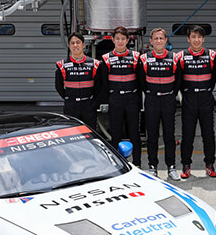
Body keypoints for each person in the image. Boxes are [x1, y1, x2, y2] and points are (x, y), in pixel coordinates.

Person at [138, 28, 181, 180]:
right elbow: (141, 81)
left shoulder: (174, 58)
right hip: (152, 101)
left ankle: (171, 167)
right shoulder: (144, 59)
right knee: (152, 136)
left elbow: (178, 80)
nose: (158, 41)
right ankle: (152, 166)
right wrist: (151, 93)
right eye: (155, 38)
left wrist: (170, 94)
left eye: (161, 38)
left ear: (165, 40)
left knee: (169, 136)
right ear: (151, 41)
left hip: (168, 100)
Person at [175, 25, 216, 178]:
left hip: (206, 100)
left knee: (209, 135)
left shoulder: (212, 55)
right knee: (188, 136)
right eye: (193, 37)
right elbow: (178, 80)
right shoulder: (181, 56)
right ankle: (186, 165)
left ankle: (210, 165)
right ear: (188, 39)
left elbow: (215, 79)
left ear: (203, 39)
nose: (196, 40)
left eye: (199, 37)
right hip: (189, 101)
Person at [101, 26, 142, 167]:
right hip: (116, 100)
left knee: (134, 134)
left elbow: (140, 80)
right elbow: (104, 82)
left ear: (127, 40)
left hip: (132, 100)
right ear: (113, 40)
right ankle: (117, 165)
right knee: (116, 134)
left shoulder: (136, 57)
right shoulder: (106, 58)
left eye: (123, 39)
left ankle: (137, 163)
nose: (120, 41)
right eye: (117, 38)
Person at [55, 32, 104, 129]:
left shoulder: (94, 64)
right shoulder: (62, 65)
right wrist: (69, 99)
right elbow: (58, 86)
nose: (75, 45)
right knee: (72, 132)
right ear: (69, 46)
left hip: (89, 105)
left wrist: (92, 101)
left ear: (83, 45)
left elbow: (99, 86)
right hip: (71, 106)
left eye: (78, 42)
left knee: (90, 132)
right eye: (72, 43)